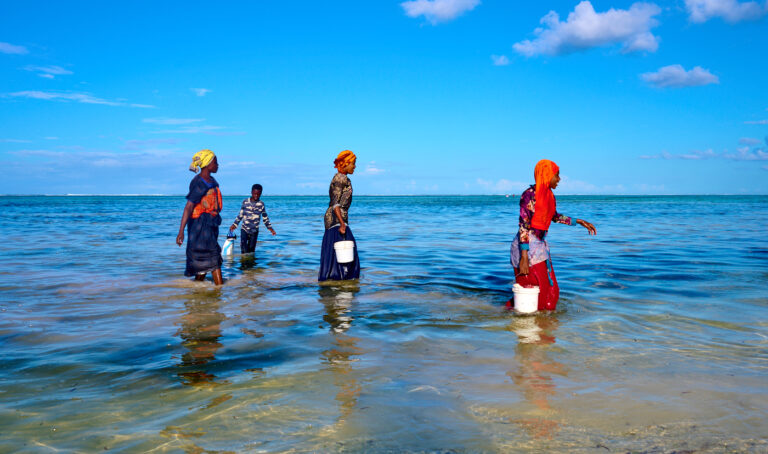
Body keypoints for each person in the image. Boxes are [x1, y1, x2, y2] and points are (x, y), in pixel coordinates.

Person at [509, 159, 596, 311]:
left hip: (539, 247)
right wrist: (524, 257)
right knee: (535, 295)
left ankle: (545, 324)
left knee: (552, 293)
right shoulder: (529, 195)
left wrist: (578, 221)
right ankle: (505, 316)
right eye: (557, 175)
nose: (559, 179)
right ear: (547, 175)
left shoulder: (549, 195)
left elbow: (554, 216)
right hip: (526, 248)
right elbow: (524, 225)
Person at [176, 149, 224, 285]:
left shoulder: (211, 181)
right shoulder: (199, 182)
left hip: (211, 225)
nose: (218, 165)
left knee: (203, 263)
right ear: (207, 164)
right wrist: (181, 231)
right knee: (213, 258)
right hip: (200, 227)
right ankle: (220, 289)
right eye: (215, 162)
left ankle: (197, 288)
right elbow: (189, 207)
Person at [318, 150, 360, 281]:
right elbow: (335, 203)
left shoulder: (343, 178)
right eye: (353, 163)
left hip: (336, 219)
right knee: (346, 249)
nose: (354, 166)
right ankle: (341, 280)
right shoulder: (340, 178)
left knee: (335, 250)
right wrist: (342, 224)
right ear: (345, 163)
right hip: (336, 219)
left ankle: (332, 279)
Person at [229, 184, 276, 254]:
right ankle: (243, 260)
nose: (256, 195)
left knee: (251, 250)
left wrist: (270, 228)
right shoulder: (245, 202)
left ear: (261, 193)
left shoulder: (261, 204)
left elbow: (265, 218)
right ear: (251, 192)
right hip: (244, 229)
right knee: (244, 249)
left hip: (254, 231)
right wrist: (235, 224)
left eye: (258, 194)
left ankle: (251, 261)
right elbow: (240, 215)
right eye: (254, 194)